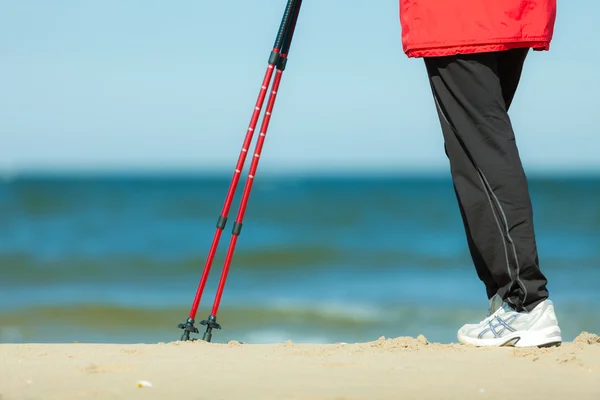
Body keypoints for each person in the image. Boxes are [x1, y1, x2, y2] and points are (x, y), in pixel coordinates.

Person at [399, 0, 562, 347]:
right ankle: (510, 303)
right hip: (511, 13)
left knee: (481, 149)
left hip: (461, 17)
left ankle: (526, 301)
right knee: (476, 149)